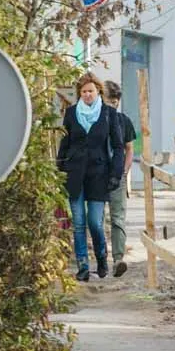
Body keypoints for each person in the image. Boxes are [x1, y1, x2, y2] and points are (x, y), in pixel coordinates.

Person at [56, 72, 124, 282]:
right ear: (79, 93)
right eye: (83, 91)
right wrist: (59, 170)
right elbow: (64, 144)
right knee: (78, 223)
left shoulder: (108, 114)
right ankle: (83, 265)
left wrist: (115, 173)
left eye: (91, 91)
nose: (87, 95)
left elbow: (118, 146)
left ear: (98, 92)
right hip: (74, 174)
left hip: (98, 174)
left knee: (94, 222)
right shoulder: (71, 113)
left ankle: (102, 257)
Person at [103, 81, 137, 278]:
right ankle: (102, 259)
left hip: (118, 176)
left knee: (118, 218)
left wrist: (124, 170)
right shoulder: (95, 118)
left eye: (115, 102)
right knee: (97, 219)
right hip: (97, 175)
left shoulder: (124, 121)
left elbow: (129, 148)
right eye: (110, 101)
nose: (112, 106)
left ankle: (118, 259)